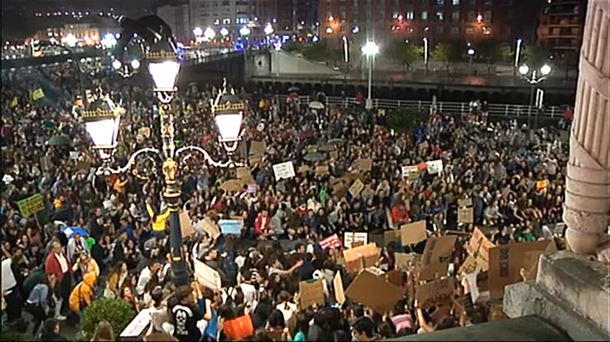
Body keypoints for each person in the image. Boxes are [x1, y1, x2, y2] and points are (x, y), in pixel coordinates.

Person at [44, 241, 72, 316]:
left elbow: (67, 262)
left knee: (67, 292)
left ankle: (67, 307)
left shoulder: (62, 254)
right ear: (53, 249)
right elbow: (49, 272)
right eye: (57, 248)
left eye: (60, 248)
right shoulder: (50, 259)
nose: (59, 249)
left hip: (66, 275)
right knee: (60, 295)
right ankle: (61, 311)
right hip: (59, 279)